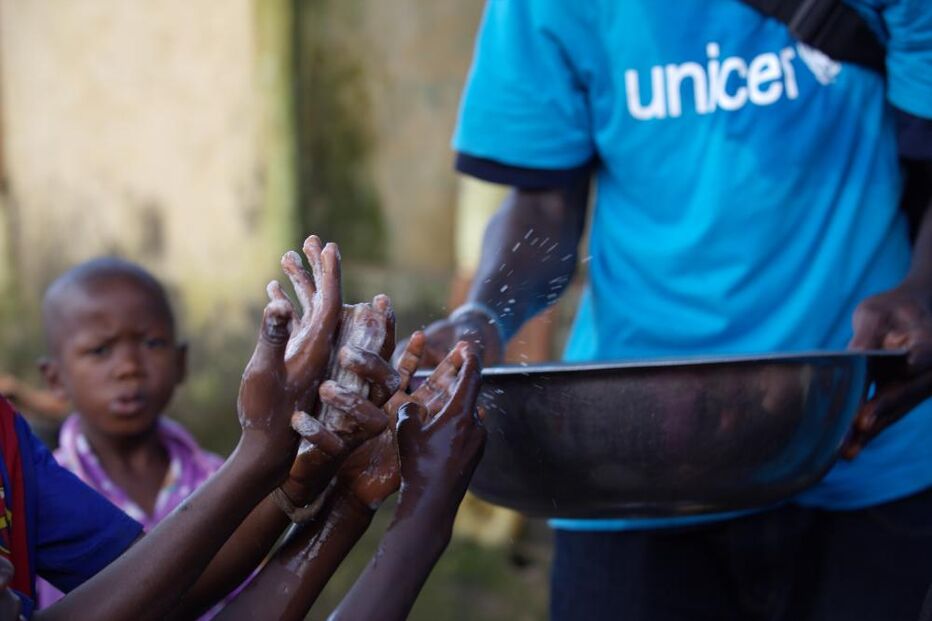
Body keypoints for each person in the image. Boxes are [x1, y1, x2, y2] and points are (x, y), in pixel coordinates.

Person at [412, 1, 932, 619]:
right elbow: (545, 205)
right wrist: (485, 314)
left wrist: (924, 289)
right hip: (632, 465)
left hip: (863, 438)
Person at [33, 258, 227, 614]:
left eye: (152, 344)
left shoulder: (221, 481)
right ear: (55, 379)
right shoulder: (43, 500)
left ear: (181, 361)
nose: (129, 367)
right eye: (100, 350)